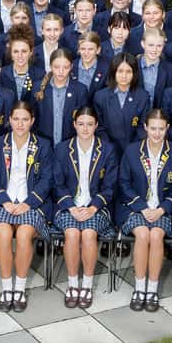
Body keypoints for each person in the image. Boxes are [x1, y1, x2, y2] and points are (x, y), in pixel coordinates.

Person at [0, 101, 53, 313]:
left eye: (25, 119)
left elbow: (46, 180)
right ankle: (6, 288)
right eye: (16, 119)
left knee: (24, 235)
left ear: (32, 121)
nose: (20, 124)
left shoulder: (43, 145)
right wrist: (4, 200)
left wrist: (27, 203)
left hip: (30, 204)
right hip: (1, 203)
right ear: (9, 120)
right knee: (3, 234)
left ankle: (20, 288)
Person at [118, 109, 172, 313]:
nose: (156, 133)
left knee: (156, 235)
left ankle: (152, 290)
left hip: (163, 211)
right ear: (145, 127)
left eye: (161, 129)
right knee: (143, 233)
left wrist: (162, 209)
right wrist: (142, 208)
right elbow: (124, 183)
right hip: (136, 208)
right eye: (152, 128)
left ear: (167, 129)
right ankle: (139, 288)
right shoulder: (132, 150)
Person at [53, 107, 117, 309]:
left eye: (90, 124)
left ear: (96, 125)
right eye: (81, 124)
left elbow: (110, 186)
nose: (85, 128)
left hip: (96, 208)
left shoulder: (107, 149)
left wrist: (92, 208)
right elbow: (57, 184)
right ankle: (72, 284)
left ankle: (87, 285)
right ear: (74, 125)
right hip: (68, 206)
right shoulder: (63, 148)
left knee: (89, 234)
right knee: (71, 234)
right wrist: (71, 207)